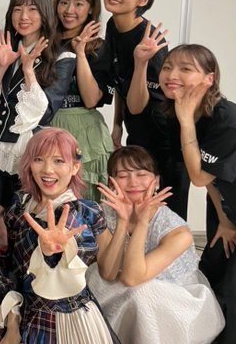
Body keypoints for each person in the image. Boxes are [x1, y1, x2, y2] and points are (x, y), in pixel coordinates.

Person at [0, 127, 117, 344]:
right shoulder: (20, 203)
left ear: (75, 167)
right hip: (23, 315)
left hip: (67, 325)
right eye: (39, 159)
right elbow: (12, 269)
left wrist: (50, 253)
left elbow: (95, 274)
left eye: (59, 161)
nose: (47, 170)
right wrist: (12, 320)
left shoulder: (82, 213)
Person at [87, 145, 224, 344]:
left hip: (172, 299)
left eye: (142, 174)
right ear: (111, 182)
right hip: (120, 287)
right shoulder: (103, 214)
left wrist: (142, 222)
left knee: (142, 294)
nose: (133, 182)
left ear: (157, 181)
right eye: (123, 175)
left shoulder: (177, 231)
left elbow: (132, 279)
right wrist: (122, 222)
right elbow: (108, 273)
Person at [0, 0, 75, 250]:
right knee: (0, 230)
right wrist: (2, 66)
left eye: (32, 9)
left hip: (29, 153)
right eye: (17, 9)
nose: (23, 16)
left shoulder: (62, 57)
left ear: (45, 14)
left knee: (28, 229)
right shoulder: (5, 49)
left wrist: (29, 69)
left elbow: (44, 112)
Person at [159, 44, 236, 343]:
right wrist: (224, 220)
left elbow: (199, 175)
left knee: (230, 289)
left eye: (185, 69)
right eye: (167, 67)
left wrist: (186, 122)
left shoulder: (226, 119)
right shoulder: (178, 111)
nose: (172, 75)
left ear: (209, 78)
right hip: (226, 208)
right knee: (213, 272)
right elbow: (211, 181)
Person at [102, 0, 179, 214]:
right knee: (135, 212)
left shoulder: (150, 42)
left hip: (164, 141)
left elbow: (137, 105)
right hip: (138, 135)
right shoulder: (114, 26)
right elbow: (120, 82)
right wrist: (117, 125)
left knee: (165, 215)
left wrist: (140, 62)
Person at [51, 0, 114, 201]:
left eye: (78, 4)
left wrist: (80, 52)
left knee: (87, 204)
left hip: (85, 133)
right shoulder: (46, 42)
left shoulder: (100, 47)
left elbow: (91, 99)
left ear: (90, 9)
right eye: (64, 2)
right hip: (49, 126)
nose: (69, 10)